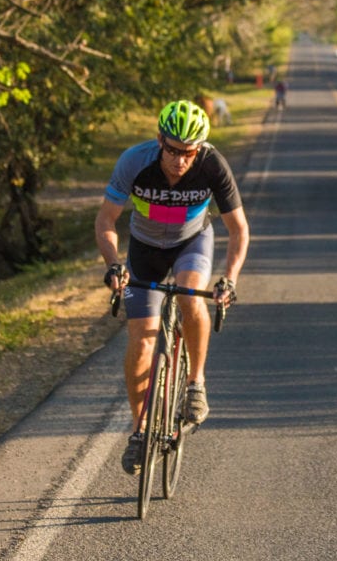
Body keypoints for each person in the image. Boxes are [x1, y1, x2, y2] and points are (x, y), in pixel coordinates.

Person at [95, 100, 250, 475]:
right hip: (145, 249)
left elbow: (238, 230)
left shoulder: (213, 165)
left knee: (188, 296)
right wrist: (114, 265)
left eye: (189, 153)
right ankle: (140, 430)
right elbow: (106, 219)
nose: (180, 160)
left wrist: (229, 279)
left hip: (190, 243)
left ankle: (196, 381)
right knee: (142, 338)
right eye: (173, 151)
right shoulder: (134, 162)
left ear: (200, 149)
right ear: (159, 139)